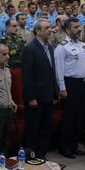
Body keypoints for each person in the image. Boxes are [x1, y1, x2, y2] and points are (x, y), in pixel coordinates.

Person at [21, 19, 57, 159]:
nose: (50, 30)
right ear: (37, 31)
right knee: (33, 129)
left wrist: (54, 94)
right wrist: (31, 97)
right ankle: (31, 155)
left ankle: (42, 155)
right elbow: (27, 75)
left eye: (50, 27)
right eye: (46, 28)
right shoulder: (30, 48)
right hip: (35, 97)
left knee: (45, 127)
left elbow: (50, 72)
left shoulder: (49, 47)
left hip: (47, 95)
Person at [54, 18, 85, 159]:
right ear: (68, 30)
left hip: (81, 84)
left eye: (79, 26)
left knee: (79, 117)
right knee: (69, 118)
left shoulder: (82, 45)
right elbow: (59, 71)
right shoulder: (62, 47)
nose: (79, 29)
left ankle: (74, 146)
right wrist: (62, 88)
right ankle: (65, 147)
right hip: (70, 85)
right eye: (75, 27)